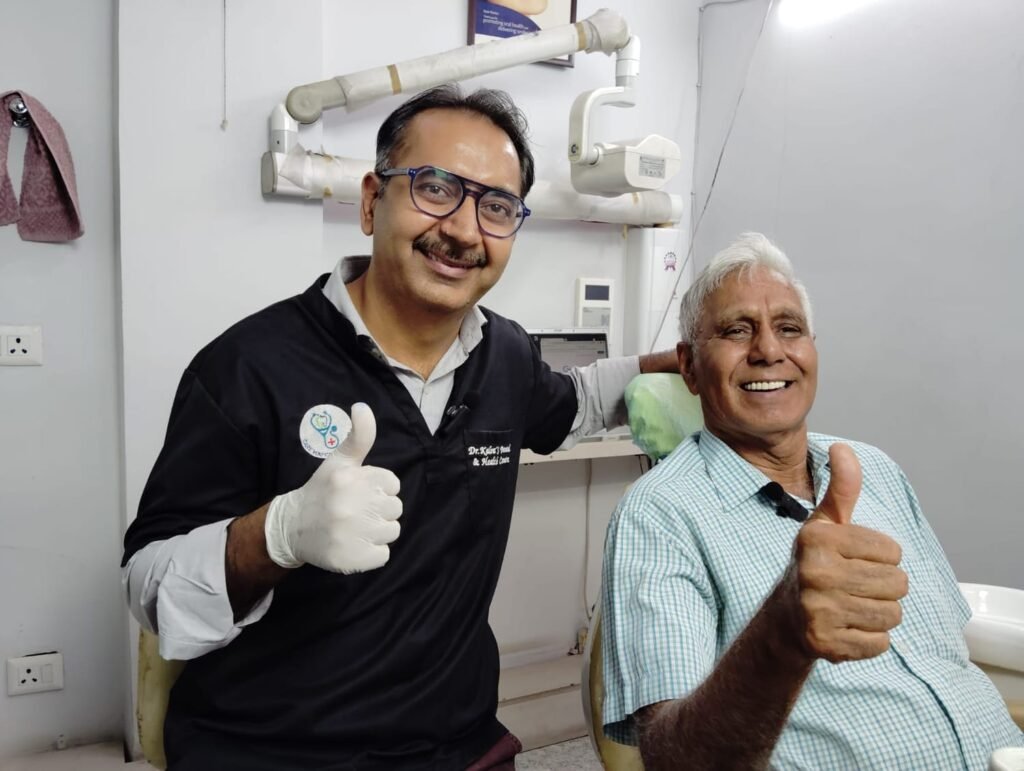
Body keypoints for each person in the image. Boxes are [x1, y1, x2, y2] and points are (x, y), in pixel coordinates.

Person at [121, 84, 675, 770]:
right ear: (369, 201)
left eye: (497, 207)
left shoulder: (505, 357)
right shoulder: (247, 367)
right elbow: (150, 589)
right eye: (435, 187)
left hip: (456, 745)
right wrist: (277, 534)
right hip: (270, 749)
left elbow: (579, 400)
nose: (464, 230)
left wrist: (685, 362)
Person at [599, 233, 1024, 770]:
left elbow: (951, 658)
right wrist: (781, 635)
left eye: (789, 328)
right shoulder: (660, 514)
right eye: (737, 330)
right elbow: (673, 759)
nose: (769, 351)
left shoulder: (875, 470)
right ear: (688, 366)